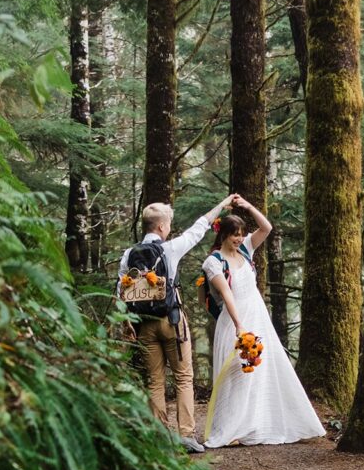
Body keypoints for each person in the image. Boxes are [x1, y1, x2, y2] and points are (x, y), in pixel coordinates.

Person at [201, 196, 326, 447]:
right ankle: (230, 428)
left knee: (258, 371)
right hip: (235, 320)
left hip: (258, 316)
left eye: (240, 234)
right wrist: (239, 325)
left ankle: (252, 424)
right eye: (234, 234)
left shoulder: (246, 248)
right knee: (236, 373)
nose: (238, 238)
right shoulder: (213, 262)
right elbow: (226, 293)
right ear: (223, 234)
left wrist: (247, 206)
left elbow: (267, 228)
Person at [119, 194, 237, 454]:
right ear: (161, 227)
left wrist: (127, 323)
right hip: (172, 321)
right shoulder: (170, 249)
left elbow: (121, 290)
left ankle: (159, 437)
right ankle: (186, 436)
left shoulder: (129, 255)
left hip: (144, 325)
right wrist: (222, 205)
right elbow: (199, 228)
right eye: (169, 223)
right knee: (184, 377)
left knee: (155, 380)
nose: (170, 227)